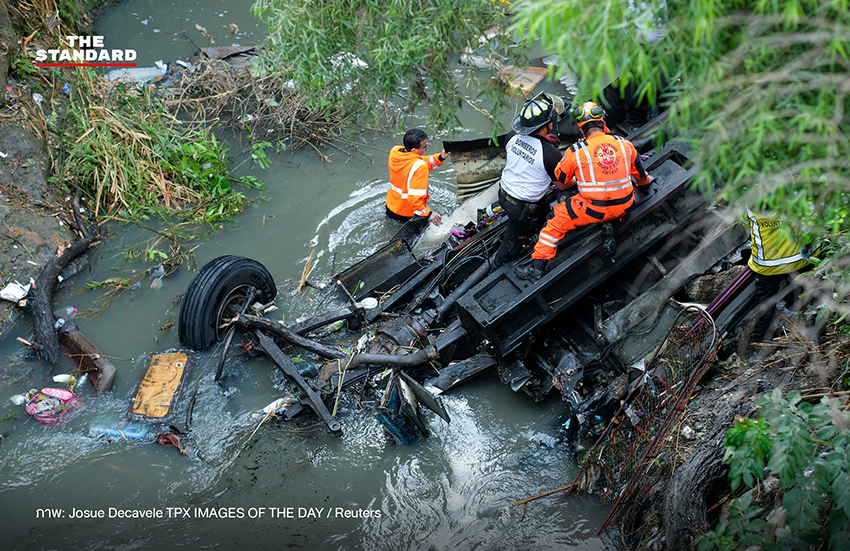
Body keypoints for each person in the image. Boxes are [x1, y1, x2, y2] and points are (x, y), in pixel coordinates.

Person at [517, 101, 651, 281]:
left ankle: (537, 267)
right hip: (626, 204)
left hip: (593, 210)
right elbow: (641, 175)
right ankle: (612, 223)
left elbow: (561, 178)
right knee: (610, 203)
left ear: (581, 130)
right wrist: (643, 184)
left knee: (554, 221)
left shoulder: (577, 151)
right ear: (603, 123)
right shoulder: (624, 143)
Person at [491, 97, 568, 268]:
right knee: (513, 241)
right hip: (521, 206)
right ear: (547, 125)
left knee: (544, 207)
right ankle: (497, 265)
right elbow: (562, 185)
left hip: (504, 193)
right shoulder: (550, 154)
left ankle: (539, 229)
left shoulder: (511, 136)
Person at [745, 209, 814, 342]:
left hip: (767, 266)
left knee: (765, 303)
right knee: (798, 290)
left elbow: (743, 222)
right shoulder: (793, 196)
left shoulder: (749, 203)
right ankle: (796, 315)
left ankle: (762, 341)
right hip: (798, 261)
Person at [386, 129, 450, 230]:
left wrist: (440, 158)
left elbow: (417, 160)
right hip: (408, 215)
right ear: (414, 151)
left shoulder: (395, 152)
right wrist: (429, 214)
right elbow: (415, 201)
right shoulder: (420, 167)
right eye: (424, 147)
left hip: (390, 208)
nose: (426, 149)